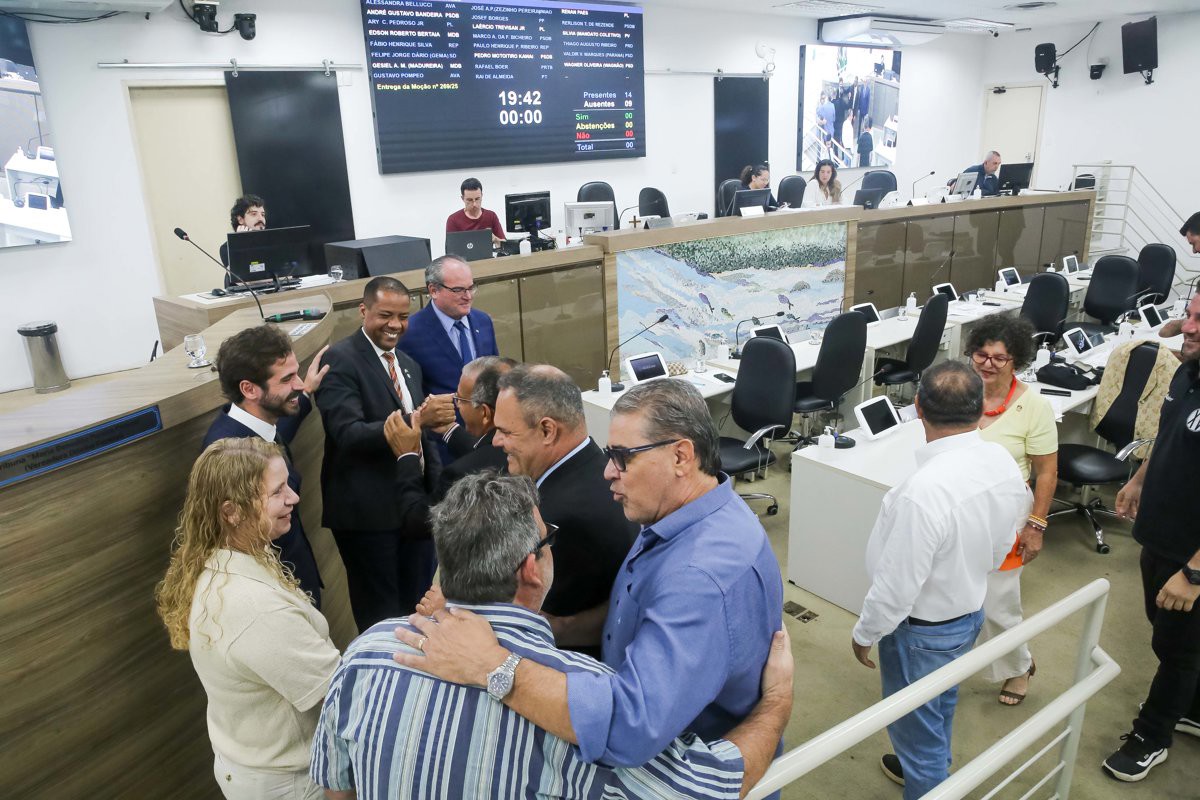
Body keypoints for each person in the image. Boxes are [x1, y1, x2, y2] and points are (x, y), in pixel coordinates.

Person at [311, 472, 793, 800]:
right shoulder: (585, 695)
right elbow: (710, 786)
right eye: (549, 539)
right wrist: (775, 704)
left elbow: (338, 788)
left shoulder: (366, 653)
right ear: (531, 570)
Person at [395, 379, 785, 772]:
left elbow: (629, 727)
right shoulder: (680, 515)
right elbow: (632, 612)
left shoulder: (699, 576)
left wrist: (493, 664)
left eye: (622, 456)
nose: (607, 471)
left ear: (681, 456)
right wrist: (559, 629)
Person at [851, 361, 1030, 799]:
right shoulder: (1000, 460)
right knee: (940, 701)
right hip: (967, 612)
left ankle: (927, 775)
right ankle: (929, 763)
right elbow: (1006, 535)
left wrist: (865, 632)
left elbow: (897, 586)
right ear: (981, 408)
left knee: (916, 727)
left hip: (920, 632)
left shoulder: (922, 492)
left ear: (917, 408)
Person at [156, 437, 340, 800]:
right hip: (292, 781)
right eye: (277, 492)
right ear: (231, 512)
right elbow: (336, 693)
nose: (294, 498)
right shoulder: (255, 609)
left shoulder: (224, 560)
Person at [315, 275, 455, 632]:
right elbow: (347, 433)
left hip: (414, 510)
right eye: (385, 315)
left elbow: (421, 438)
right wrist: (418, 418)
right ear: (364, 310)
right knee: (382, 617)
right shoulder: (341, 359)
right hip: (367, 517)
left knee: (419, 608)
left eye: (403, 316)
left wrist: (435, 494)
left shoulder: (408, 363)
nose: (395, 325)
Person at [1101, 291, 1200, 782]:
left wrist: (1195, 571)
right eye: (1192, 315)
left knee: (1178, 648)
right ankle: (1192, 707)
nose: (1188, 327)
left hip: (1193, 557)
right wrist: (1139, 479)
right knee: (1167, 635)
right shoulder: (1187, 372)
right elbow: (1167, 433)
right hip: (1159, 534)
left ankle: (1152, 734)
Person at [489, 363, 638, 657]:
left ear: (547, 430)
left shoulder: (554, 518)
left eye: (506, 432)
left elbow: (527, 622)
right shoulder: (601, 469)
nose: (496, 441)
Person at [964, 315, 1058, 706]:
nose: (988, 364)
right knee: (961, 599)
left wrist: (1036, 525)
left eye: (999, 358)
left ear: (1015, 360)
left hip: (1008, 513)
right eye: (980, 355)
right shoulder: (962, 393)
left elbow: (1047, 471)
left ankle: (1019, 666)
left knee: (1000, 602)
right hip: (961, 509)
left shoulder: (1033, 406)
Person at [204, 325, 330, 607]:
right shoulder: (229, 453)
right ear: (249, 389)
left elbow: (277, 431)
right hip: (278, 597)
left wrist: (306, 393)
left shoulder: (257, 421)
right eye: (287, 379)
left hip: (296, 581)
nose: (297, 384)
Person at [398, 255, 499, 400]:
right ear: (433, 291)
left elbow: (494, 375)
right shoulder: (410, 332)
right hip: (445, 421)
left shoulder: (483, 321)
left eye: (471, 288)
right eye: (458, 290)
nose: (468, 296)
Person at [432, 355, 516, 500]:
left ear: (485, 413)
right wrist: (449, 429)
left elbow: (418, 519)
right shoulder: (541, 441)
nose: (456, 405)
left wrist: (408, 455)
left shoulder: (460, 474)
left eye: (460, 399)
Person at [445, 177, 505, 244]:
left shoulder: (491, 216)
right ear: (462, 198)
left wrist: (496, 240)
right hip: (463, 254)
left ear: (482, 196)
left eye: (477, 199)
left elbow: (505, 246)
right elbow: (450, 250)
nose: (474, 204)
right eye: (469, 200)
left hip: (488, 254)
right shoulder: (453, 220)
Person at [219, 193, 266, 279]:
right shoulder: (227, 248)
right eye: (254, 214)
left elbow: (287, 275)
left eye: (263, 215)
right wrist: (242, 243)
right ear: (240, 219)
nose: (260, 219)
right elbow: (242, 279)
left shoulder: (272, 244)